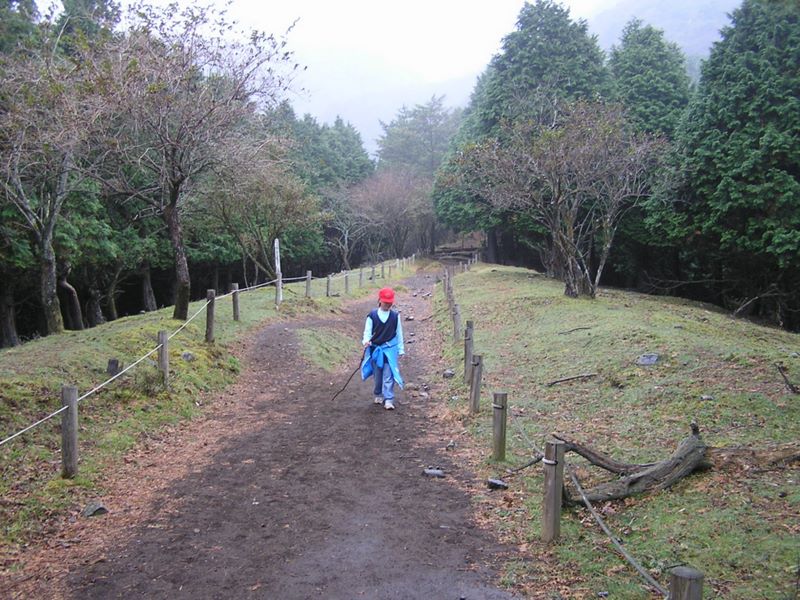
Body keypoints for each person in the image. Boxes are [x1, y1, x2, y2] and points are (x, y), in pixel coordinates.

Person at [361, 287, 404, 410]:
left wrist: (401, 349)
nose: (388, 305)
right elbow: (367, 331)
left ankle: (389, 399)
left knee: (388, 374)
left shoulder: (395, 316)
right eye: (385, 302)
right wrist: (366, 341)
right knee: (377, 374)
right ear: (380, 300)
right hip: (375, 350)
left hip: (390, 349)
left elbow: (399, 333)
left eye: (390, 303)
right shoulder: (372, 315)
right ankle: (378, 393)